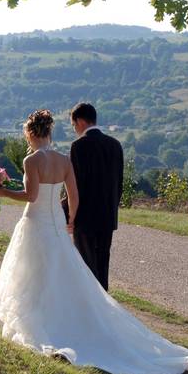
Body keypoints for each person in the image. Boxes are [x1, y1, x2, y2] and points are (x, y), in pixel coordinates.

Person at [0, 109, 188, 374]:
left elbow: (31, 195)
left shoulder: (31, 160)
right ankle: (76, 321)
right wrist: (71, 219)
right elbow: (74, 195)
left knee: (34, 276)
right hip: (58, 228)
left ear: (29, 133)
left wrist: (1, 191)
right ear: (49, 132)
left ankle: (43, 324)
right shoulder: (64, 160)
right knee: (67, 275)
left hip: (35, 224)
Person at [63, 102, 122, 290]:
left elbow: (75, 187)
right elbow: (118, 184)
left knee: (86, 267)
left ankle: (92, 311)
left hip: (86, 217)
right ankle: (104, 307)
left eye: (73, 126)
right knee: (102, 265)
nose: (74, 130)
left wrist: (67, 214)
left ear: (79, 121)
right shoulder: (115, 145)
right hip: (107, 216)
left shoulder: (78, 147)